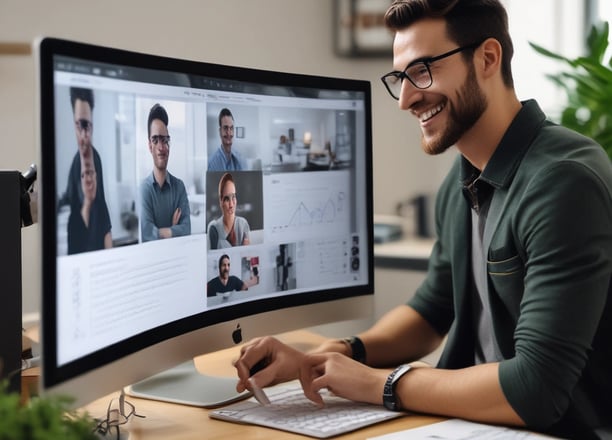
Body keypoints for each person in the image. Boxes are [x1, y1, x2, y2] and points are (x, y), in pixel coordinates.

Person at [234, 1, 612, 438]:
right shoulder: (465, 175)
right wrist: (330, 355)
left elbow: (536, 388)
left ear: (488, 58)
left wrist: (379, 384)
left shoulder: (563, 181)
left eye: (423, 70)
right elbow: (431, 312)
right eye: (401, 78)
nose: (407, 98)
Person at [64, 87, 112, 253]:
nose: (85, 135)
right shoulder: (75, 166)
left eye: (88, 126)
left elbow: (102, 208)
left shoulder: (96, 158)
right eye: (80, 126)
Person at [140, 103, 191, 242]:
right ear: (150, 146)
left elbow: (186, 229)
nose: (161, 147)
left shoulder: (179, 187)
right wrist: (173, 229)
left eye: (165, 140)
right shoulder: (144, 189)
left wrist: (160, 232)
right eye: (155, 140)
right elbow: (145, 234)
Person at [67, 154, 112, 254]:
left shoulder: (101, 208)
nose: (89, 180)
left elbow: (109, 250)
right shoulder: (73, 217)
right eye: (83, 175)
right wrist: (87, 202)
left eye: (91, 173)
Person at [208, 173, 251, 249]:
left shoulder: (243, 224)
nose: (231, 205)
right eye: (227, 199)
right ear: (221, 201)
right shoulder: (214, 228)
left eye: (233, 197)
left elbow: (247, 256)